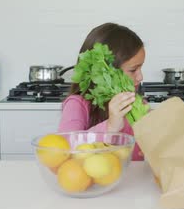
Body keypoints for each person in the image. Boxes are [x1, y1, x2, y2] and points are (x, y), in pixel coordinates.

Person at [58, 23, 146, 160]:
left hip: (133, 180)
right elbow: (64, 149)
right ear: (106, 71)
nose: (141, 77)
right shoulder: (77, 105)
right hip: (91, 181)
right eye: (133, 70)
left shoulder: (137, 104)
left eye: (141, 68)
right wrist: (110, 127)